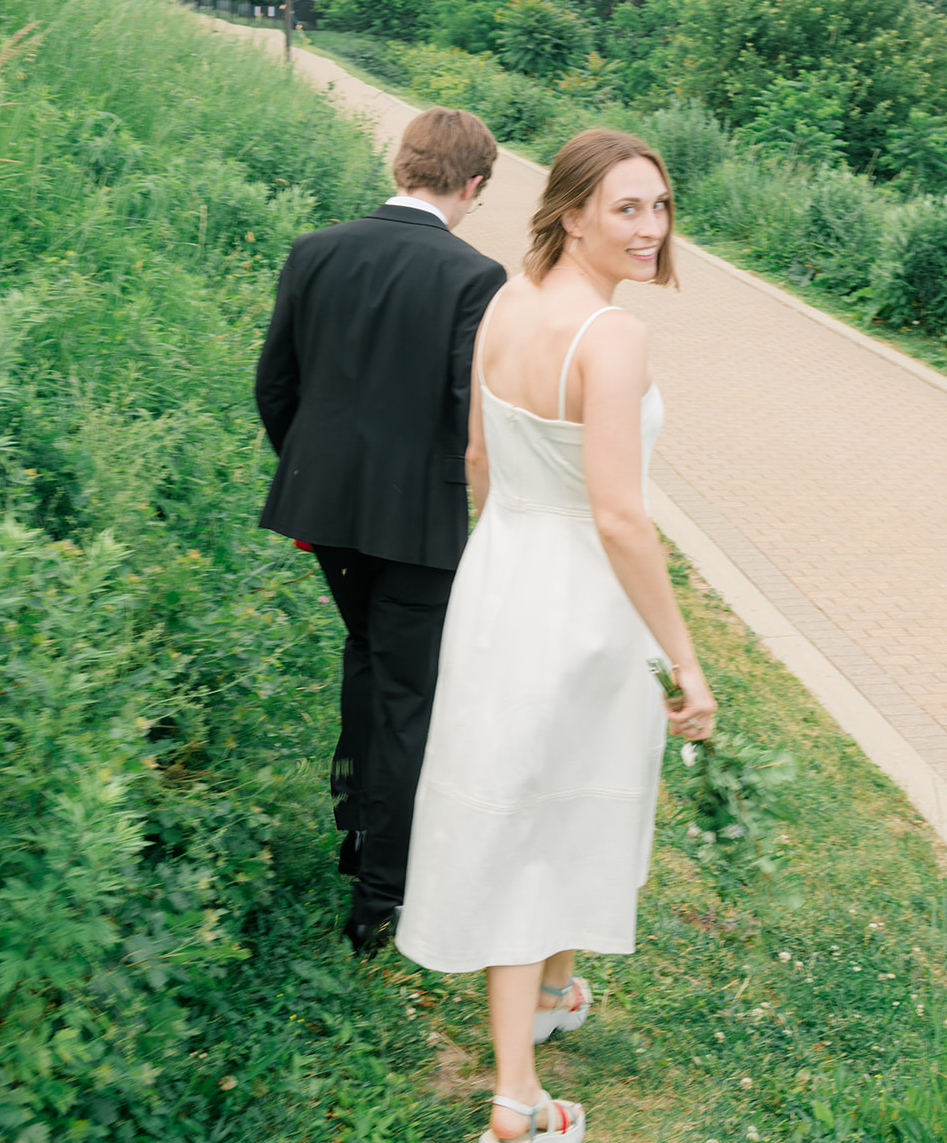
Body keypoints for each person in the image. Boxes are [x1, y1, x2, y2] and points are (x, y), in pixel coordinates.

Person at [396, 128, 717, 1142]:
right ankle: (515, 1098)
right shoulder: (610, 338)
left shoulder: (503, 299)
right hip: (577, 591)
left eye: (657, 206)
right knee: (552, 817)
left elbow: (480, 454)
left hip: (502, 575)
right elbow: (619, 516)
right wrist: (684, 656)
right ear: (570, 211)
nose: (648, 227)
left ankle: (547, 998)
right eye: (625, 207)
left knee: (519, 804)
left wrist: (504, 553)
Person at [255, 108, 507, 953]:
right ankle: (378, 893)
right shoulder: (475, 277)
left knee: (366, 651)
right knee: (407, 694)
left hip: (325, 511)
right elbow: (465, 413)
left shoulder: (314, 250)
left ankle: (357, 823)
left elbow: (275, 385)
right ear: (472, 185)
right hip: (416, 522)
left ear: (402, 164)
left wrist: (316, 475)